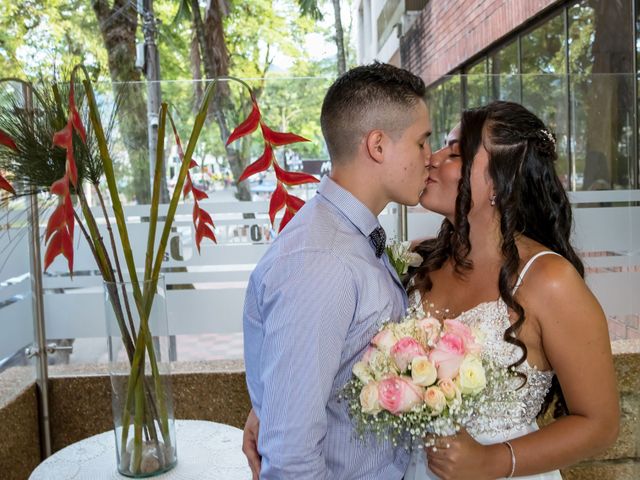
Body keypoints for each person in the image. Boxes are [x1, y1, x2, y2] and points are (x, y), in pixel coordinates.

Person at [405, 101, 619, 479]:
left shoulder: (550, 281)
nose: (433, 159)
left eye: (455, 152)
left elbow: (599, 424)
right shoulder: (420, 261)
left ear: (501, 184)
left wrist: (492, 462)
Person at [242, 62, 432, 479]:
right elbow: (291, 459)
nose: (429, 158)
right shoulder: (322, 261)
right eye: (422, 142)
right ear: (378, 146)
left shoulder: (347, 236)